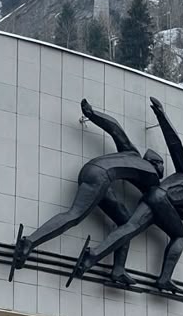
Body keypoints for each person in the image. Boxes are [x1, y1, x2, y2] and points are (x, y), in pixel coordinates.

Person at [67, 96, 183, 292]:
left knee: (128, 227)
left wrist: (161, 115)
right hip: (163, 205)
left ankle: (92, 256)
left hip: (151, 196)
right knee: (180, 236)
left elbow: (174, 143)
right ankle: (164, 279)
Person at [10, 98, 164, 283]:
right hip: (100, 177)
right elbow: (155, 198)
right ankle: (29, 242)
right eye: (161, 165)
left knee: (125, 223)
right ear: (154, 164)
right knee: (74, 215)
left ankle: (118, 270)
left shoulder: (130, 152)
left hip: (95, 174)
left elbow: (115, 128)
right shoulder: (151, 174)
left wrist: (91, 113)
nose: (162, 170)